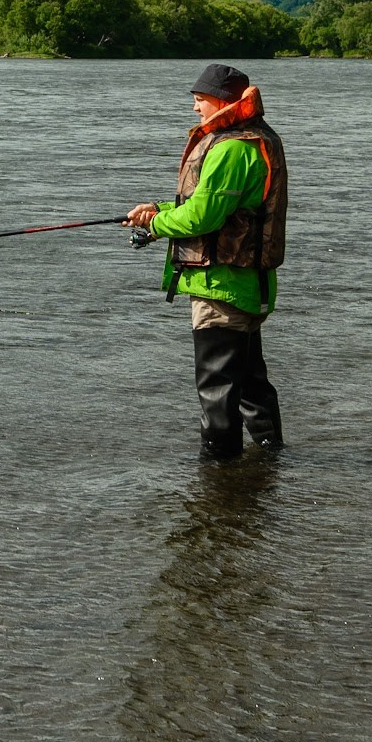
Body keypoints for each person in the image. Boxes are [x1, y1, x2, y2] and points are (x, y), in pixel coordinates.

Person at [122, 62, 287, 461]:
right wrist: (157, 209)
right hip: (246, 284)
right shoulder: (252, 139)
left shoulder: (231, 148)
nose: (196, 108)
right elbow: (213, 205)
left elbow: (203, 217)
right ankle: (271, 461)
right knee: (249, 384)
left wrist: (158, 224)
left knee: (217, 390)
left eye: (200, 101)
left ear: (222, 101)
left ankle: (219, 476)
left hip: (221, 286)